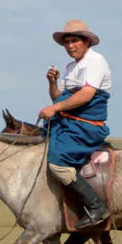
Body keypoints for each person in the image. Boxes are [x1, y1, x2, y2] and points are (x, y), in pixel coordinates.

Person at [39, 19, 112, 230]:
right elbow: (58, 99)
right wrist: (52, 83)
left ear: (86, 41)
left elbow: (86, 95)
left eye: (74, 41)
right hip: (68, 124)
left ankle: (96, 207)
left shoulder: (95, 61)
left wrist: (54, 109)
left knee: (58, 163)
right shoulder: (72, 67)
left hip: (86, 127)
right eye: (66, 42)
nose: (70, 46)